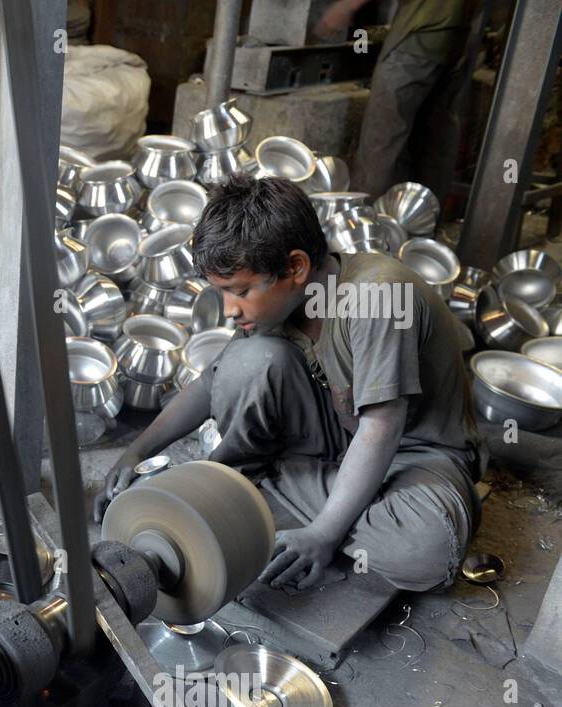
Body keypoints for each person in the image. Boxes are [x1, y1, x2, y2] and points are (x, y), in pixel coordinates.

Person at [95, 174, 486, 593]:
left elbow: (382, 427)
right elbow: (212, 384)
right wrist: (135, 451)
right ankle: (296, 488)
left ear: (296, 267)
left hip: (417, 456)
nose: (229, 309)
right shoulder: (277, 305)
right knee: (249, 360)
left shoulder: (376, 297)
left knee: (425, 551)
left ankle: (261, 482)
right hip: (337, 434)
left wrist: (324, 535)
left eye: (240, 290)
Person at [314, 0, 475, 200]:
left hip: (418, 36)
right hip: (457, 42)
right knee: (435, 137)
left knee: (381, 140)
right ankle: (421, 220)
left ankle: (363, 221)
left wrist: (346, 6)